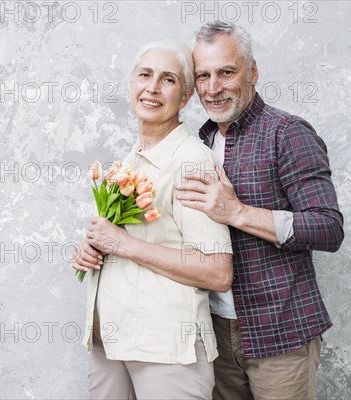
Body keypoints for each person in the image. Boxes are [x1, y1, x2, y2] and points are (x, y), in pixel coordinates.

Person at [175, 21, 344, 400]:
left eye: (226, 72)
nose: (214, 87)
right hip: (214, 334)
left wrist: (236, 212)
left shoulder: (288, 133)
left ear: (252, 71)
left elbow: (328, 227)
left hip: (281, 336)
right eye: (203, 75)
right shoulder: (197, 143)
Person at [72, 40, 234, 399]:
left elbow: (217, 271)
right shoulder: (129, 162)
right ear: (131, 83)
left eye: (168, 79)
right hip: (110, 341)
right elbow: (127, 239)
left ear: (186, 95)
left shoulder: (192, 163)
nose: (153, 87)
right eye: (145, 75)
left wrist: (124, 244)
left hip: (165, 348)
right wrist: (93, 249)